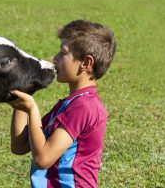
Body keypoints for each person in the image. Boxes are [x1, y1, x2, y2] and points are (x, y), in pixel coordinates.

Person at [9, 20, 116, 188]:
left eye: (63, 53)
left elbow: (42, 159)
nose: (55, 59)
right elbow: (19, 146)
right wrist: (23, 97)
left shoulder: (84, 107)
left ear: (86, 63)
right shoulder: (69, 104)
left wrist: (32, 109)